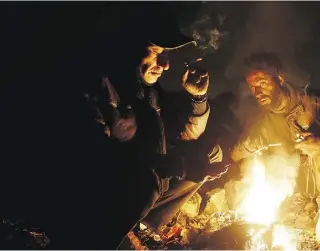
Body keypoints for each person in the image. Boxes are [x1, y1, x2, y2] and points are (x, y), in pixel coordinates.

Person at [82, 5, 226, 249]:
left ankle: (143, 226)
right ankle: (103, 239)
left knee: (211, 154)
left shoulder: (147, 93)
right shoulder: (101, 92)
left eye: (167, 54)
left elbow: (180, 136)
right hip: (97, 201)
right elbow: (93, 168)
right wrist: (177, 167)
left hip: (141, 185)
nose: (166, 64)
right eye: (157, 53)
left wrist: (197, 99)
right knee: (147, 185)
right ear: (130, 48)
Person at [230, 52, 320, 199]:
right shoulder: (265, 122)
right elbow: (242, 149)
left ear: (280, 79)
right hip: (299, 191)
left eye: (262, 83)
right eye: (252, 86)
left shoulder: (317, 103)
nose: (257, 92)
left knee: (319, 155)